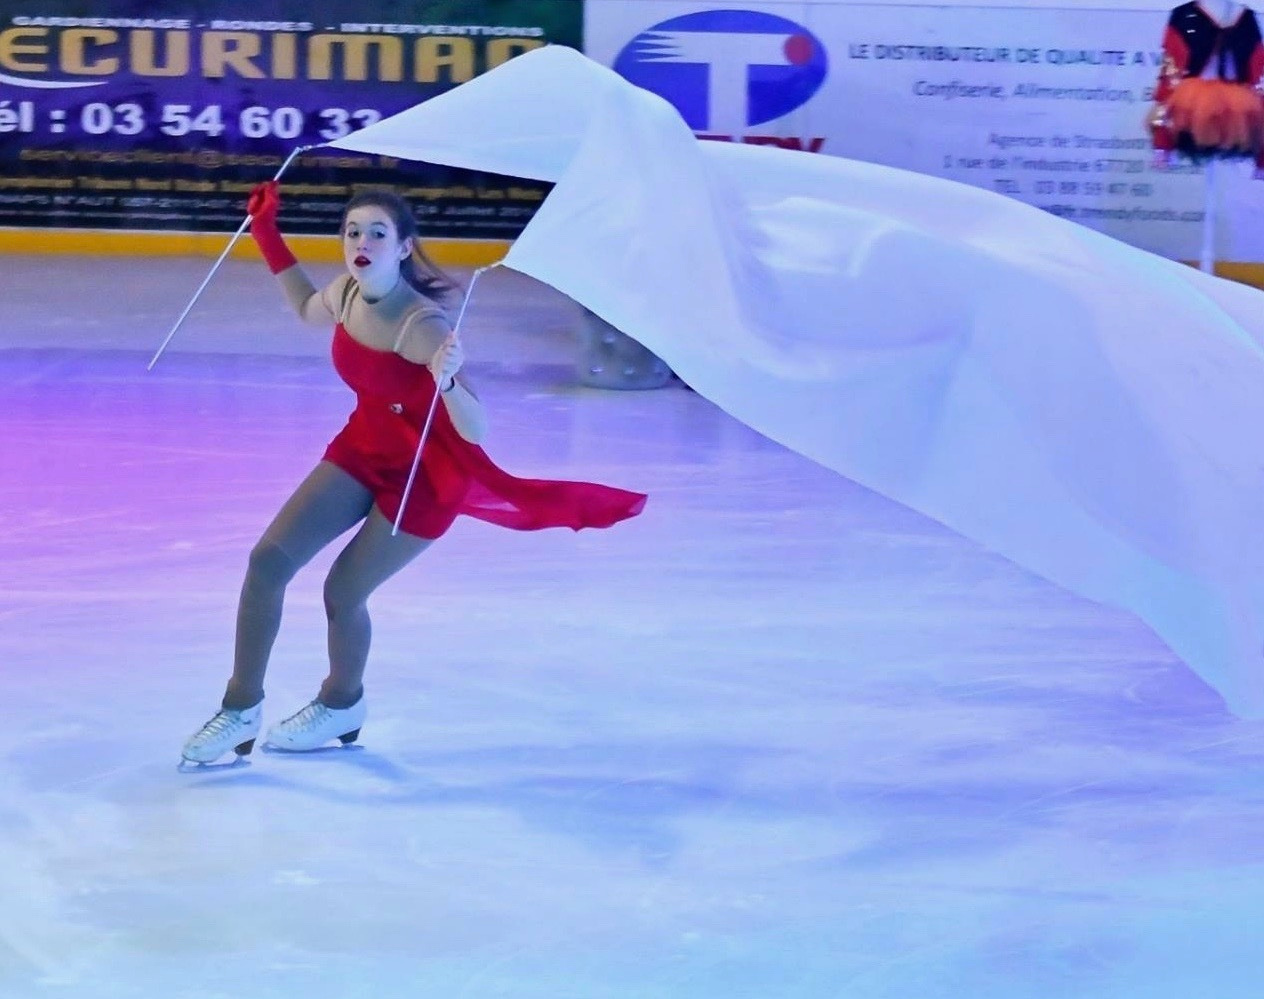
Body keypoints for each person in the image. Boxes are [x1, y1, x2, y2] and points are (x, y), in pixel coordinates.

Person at [180, 183, 646, 766]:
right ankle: (239, 708)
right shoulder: (347, 292)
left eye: (378, 233)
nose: (361, 242)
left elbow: (475, 430)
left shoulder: (422, 324)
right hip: (362, 449)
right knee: (267, 561)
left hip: (426, 476)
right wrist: (266, 231)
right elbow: (304, 307)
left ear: (403, 248)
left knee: (343, 591)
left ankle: (342, 702)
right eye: (352, 232)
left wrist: (449, 380)